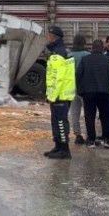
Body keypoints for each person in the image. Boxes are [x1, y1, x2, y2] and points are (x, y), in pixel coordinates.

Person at [76, 39, 109, 147]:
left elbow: (78, 75)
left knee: (89, 116)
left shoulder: (85, 60)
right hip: (104, 92)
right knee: (105, 116)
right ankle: (106, 139)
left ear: (92, 48)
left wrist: (80, 90)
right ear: (102, 48)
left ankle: (91, 139)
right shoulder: (108, 60)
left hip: (88, 92)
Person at [44, 26, 76, 159]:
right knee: (56, 121)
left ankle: (64, 150)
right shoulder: (58, 51)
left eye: (49, 35)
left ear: (53, 37)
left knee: (61, 122)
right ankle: (58, 146)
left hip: (60, 95)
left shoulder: (58, 54)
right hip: (60, 95)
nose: (47, 37)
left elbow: (58, 77)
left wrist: (52, 96)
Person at [68, 34, 90, 145]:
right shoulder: (88, 55)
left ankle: (77, 135)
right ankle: (89, 135)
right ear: (84, 43)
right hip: (85, 88)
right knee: (88, 112)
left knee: (74, 113)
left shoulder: (69, 55)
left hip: (72, 88)